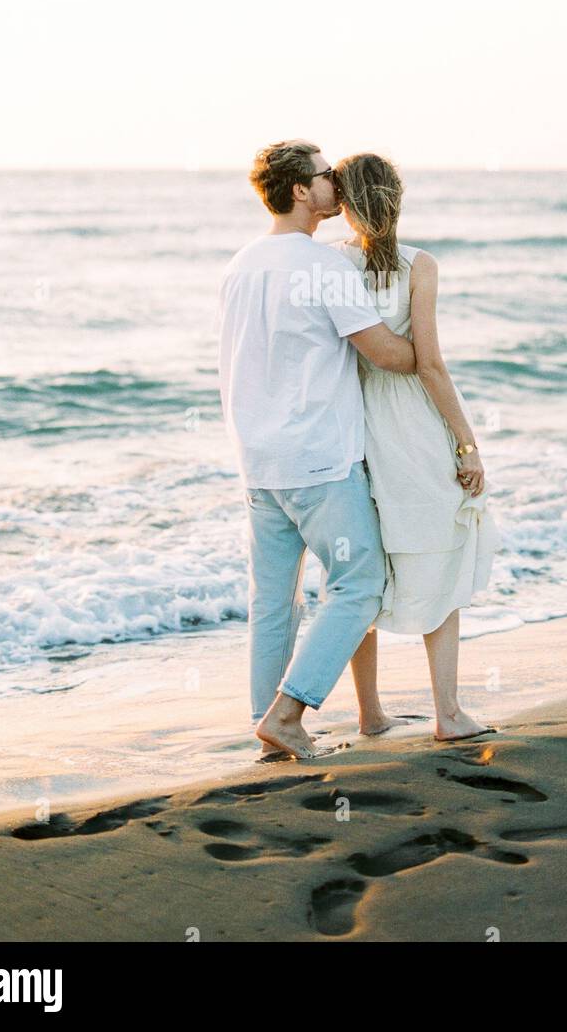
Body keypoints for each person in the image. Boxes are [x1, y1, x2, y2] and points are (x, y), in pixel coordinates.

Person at [217, 139, 416, 760]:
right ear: (301, 190)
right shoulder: (323, 266)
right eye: (325, 174)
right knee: (360, 585)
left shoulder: (240, 264)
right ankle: (288, 712)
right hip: (320, 460)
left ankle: (269, 722)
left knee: (272, 601)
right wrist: (431, 358)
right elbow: (383, 352)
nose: (336, 182)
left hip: (258, 459)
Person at [329, 151, 501, 742]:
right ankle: (447, 714)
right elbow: (430, 365)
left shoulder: (329, 266)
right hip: (415, 431)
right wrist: (466, 443)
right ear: (398, 199)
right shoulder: (419, 265)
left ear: (344, 206)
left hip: (353, 428)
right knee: (442, 555)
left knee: (359, 570)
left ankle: (370, 714)